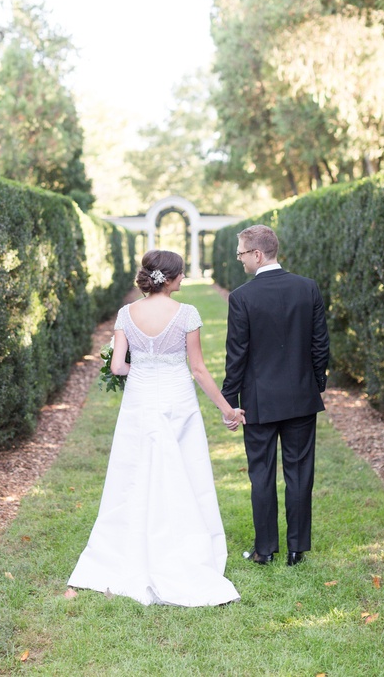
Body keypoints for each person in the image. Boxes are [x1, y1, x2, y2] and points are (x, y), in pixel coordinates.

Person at [68, 249, 245, 606]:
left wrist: (145, 370)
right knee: (183, 470)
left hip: (140, 401)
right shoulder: (187, 314)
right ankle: (183, 548)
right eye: (181, 274)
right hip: (177, 400)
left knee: (135, 472)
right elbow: (197, 369)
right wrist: (228, 410)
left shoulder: (125, 313)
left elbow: (118, 366)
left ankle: (126, 550)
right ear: (173, 278)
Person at [221, 225, 329, 566]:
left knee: (262, 474)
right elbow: (320, 346)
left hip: (258, 401)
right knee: (300, 473)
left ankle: (265, 549)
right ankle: (296, 550)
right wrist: (314, 385)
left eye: (240, 254)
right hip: (301, 397)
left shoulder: (242, 297)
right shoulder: (307, 288)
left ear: (257, 254)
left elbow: (236, 355)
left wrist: (230, 403)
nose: (239, 260)